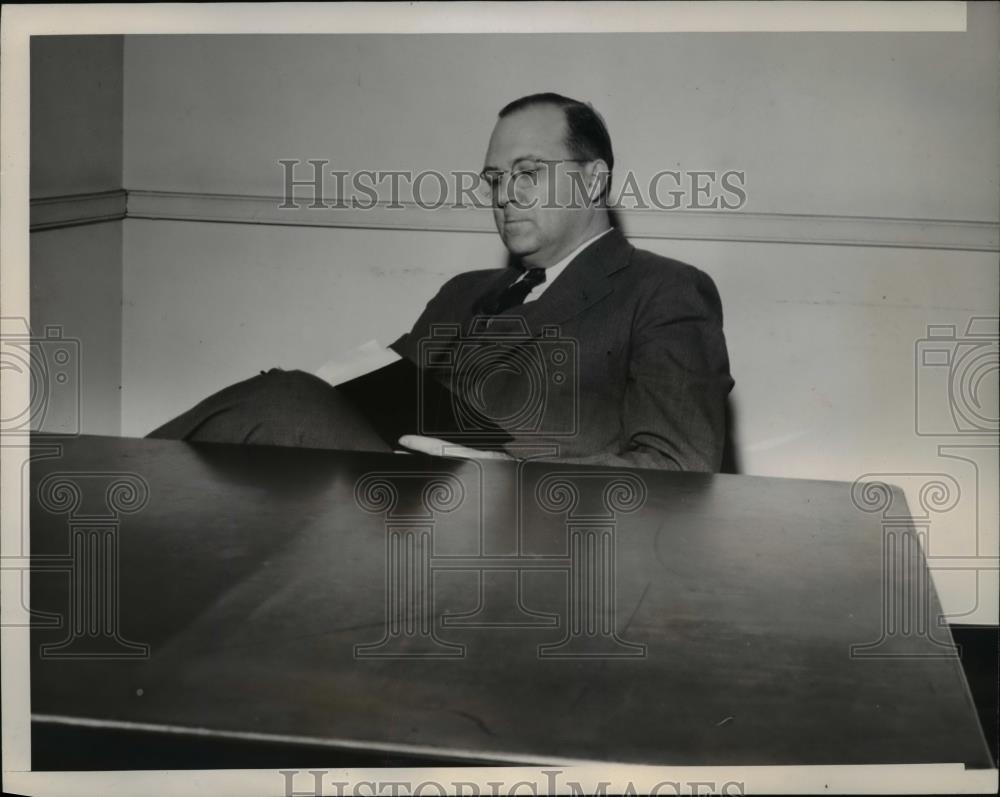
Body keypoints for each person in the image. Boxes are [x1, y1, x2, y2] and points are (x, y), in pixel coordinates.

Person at [148, 92, 734, 472]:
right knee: (286, 399)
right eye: (495, 178)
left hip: (526, 525)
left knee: (281, 402)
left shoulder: (666, 290)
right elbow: (380, 395)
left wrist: (508, 476)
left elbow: (680, 467)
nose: (505, 195)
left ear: (592, 181)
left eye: (528, 174)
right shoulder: (465, 289)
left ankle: (103, 494)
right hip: (398, 499)